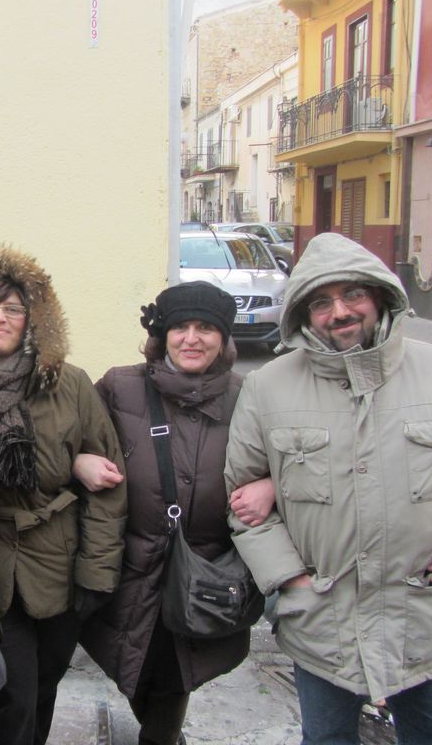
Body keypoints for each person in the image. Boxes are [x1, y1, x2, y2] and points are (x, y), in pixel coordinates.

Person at [224, 232, 432, 745]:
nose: (339, 312)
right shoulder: (266, 387)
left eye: (353, 294)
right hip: (321, 623)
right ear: (303, 314)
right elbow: (243, 501)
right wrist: (290, 581)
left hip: (426, 618)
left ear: (381, 295)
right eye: (321, 302)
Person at [0, 244, 128, 745]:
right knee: (9, 696)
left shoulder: (70, 384)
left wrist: (97, 571)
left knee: (44, 686)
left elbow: (109, 487)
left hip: (58, 561)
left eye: (12, 308)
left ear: (34, 319)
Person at [79, 281, 271, 745]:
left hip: (204, 570)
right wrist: (79, 461)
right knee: (136, 669)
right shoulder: (121, 387)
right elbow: (74, 435)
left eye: (206, 328)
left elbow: (287, 460)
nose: (192, 338)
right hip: (130, 566)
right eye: (181, 327)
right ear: (161, 335)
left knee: (175, 676)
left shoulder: (248, 396)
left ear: (223, 338)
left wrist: (270, 485)